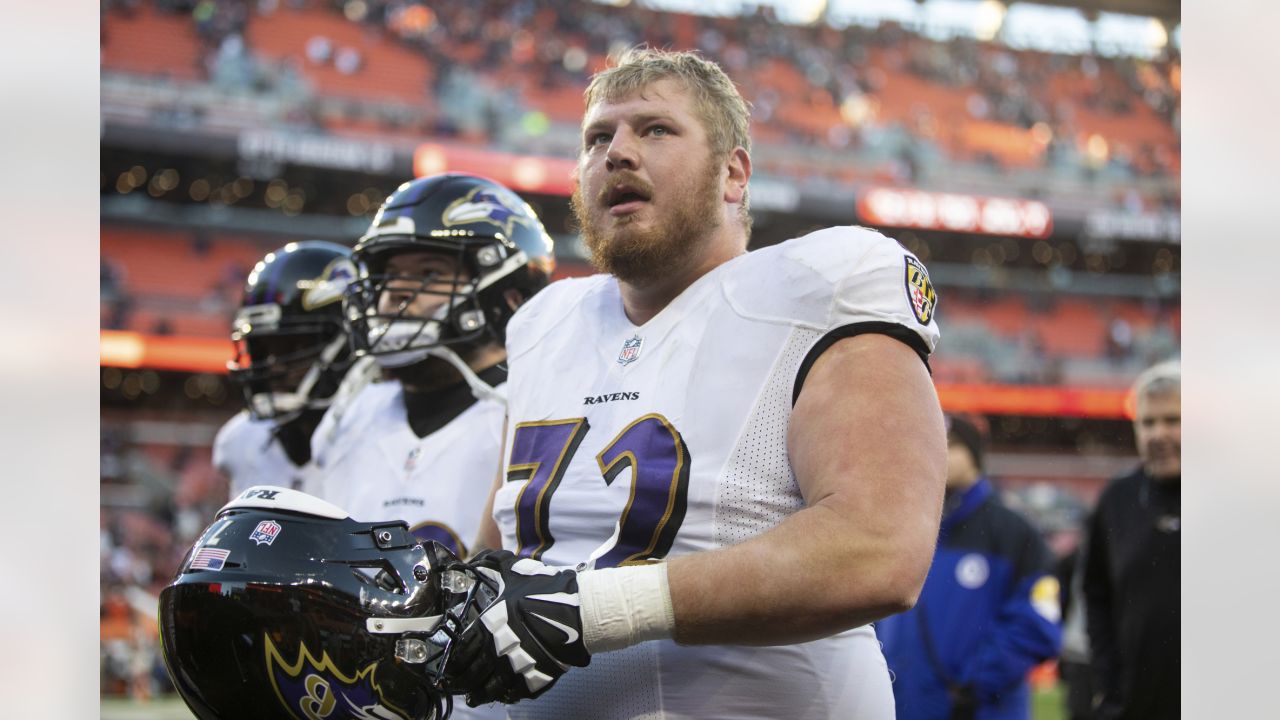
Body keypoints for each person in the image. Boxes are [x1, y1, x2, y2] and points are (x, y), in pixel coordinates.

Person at [440, 47, 948, 719]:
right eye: (597, 138)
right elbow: (498, 555)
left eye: (654, 129)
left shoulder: (821, 284)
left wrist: (596, 608)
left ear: (733, 173)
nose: (616, 152)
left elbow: (878, 550)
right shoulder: (543, 324)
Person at [305, 173, 555, 719]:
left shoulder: (535, 409)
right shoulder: (350, 416)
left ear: (506, 293)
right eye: (390, 273)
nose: (395, 291)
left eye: (428, 273)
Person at [878, 416, 1062, 720]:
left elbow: (1037, 624)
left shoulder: (1013, 531)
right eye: (930, 443)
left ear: (975, 456)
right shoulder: (905, 527)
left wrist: (974, 683)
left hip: (982, 710)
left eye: (951, 445)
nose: (939, 452)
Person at [214, 240, 362, 498]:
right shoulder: (241, 442)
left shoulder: (380, 435)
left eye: (292, 347)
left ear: (349, 344)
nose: (273, 365)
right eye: (263, 348)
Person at [1081, 360, 1180, 719]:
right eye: (1148, 423)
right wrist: (1107, 685)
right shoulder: (1117, 500)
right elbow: (1096, 597)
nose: (1158, 434)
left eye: (1173, 420)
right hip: (1133, 705)